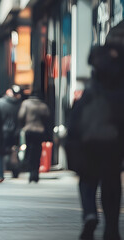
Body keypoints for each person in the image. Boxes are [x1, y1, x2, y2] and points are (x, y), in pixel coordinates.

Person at [66, 42, 124, 240]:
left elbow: (77, 118)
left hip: (90, 141)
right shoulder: (119, 86)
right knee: (111, 184)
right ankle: (112, 228)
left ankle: (90, 213)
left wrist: (71, 142)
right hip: (114, 142)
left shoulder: (93, 87)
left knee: (88, 180)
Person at [18, 92, 50, 183]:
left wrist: (23, 125)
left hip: (29, 130)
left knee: (29, 150)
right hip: (40, 131)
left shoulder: (26, 104)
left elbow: (21, 116)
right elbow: (47, 117)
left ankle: (30, 170)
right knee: (37, 152)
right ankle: (35, 173)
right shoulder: (43, 105)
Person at [0, 85, 22, 181]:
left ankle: (0, 174)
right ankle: (15, 172)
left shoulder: (0, 103)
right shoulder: (20, 105)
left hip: (2, 131)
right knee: (14, 152)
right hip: (15, 132)